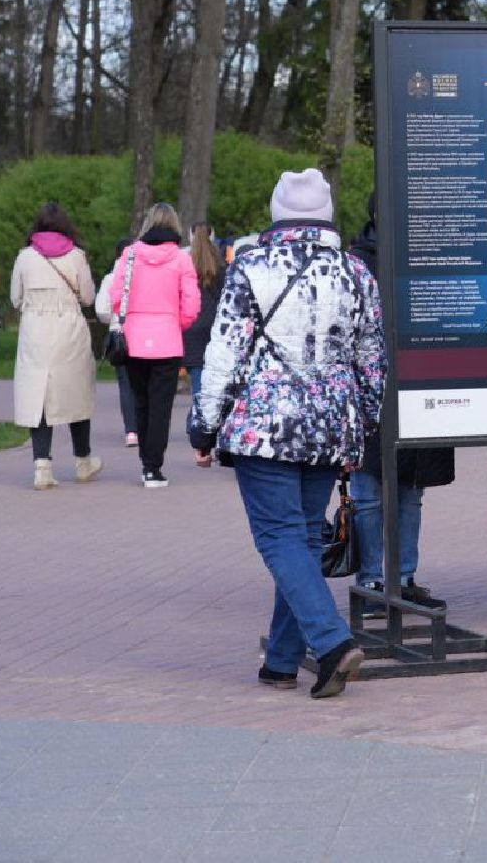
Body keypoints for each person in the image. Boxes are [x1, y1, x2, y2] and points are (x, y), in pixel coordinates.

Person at [189, 168, 383, 699]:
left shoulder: (251, 267)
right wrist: (362, 424)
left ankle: (333, 643)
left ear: (277, 214)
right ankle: (279, 660)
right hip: (328, 427)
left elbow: (224, 352)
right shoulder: (355, 274)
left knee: (279, 537)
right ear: (326, 215)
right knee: (299, 537)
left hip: (264, 426)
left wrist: (204, 426)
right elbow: (372, 360)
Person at [346, 196, 450, 615]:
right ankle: (372, 580)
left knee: (411, 490)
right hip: (368, 388)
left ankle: (403, 577)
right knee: (368, 491)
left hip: (420, 383)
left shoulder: (429, 256)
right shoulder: (355, 263)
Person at [10, 203, 101, 489]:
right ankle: (83, 461)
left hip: (35, 330)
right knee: (76, 392)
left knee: (38, 394)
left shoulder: (25, 258)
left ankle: (42, 467)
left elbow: (15, 297)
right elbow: (88, 297)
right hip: (68, 329)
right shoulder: (76, 256)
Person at [112, 203, 200, 487]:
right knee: (161, 406)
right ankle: (153, 467)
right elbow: (191, 303)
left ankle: (144, 461)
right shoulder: (181, 259)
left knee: (141, 402)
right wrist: (177, 323)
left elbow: (116, 297)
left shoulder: (129, 255)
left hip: (134, 340)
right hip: (167, 339)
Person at [183, 222, 225, 467]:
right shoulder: (220, 265)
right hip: (215, 329)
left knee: (200, 388)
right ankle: (215, 436)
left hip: (192, 329)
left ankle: (201, 441)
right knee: (218, 384)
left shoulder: (185, 264)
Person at [94, 239, 140, 447]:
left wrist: (114, 318)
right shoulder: (143, 276)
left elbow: (102, 310)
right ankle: (145, 425)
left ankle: (131, 430)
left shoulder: (110, 279)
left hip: (119, 334)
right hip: (142, 333)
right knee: (144, 382)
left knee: (126, 384)